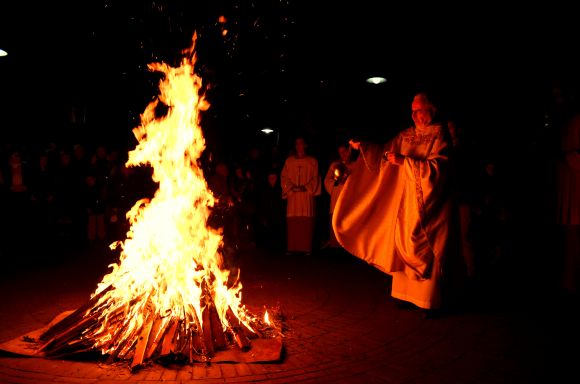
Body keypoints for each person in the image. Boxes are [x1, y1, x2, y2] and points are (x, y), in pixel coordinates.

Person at [332, 91, 465, 316]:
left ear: (431, 111)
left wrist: (406, 162)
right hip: (405, 201)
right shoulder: (405, 136)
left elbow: (439, 170)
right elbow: (385, 153)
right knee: (400, 240)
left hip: (431, 207)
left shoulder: (440, 135)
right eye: (412, 112)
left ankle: (428, 300)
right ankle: (406, 294)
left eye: (418, 111)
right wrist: (365, 146)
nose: (414, 116)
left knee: (422, 243)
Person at [281, 135, 322, 255]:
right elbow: (284, 177)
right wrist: (291, 187)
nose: (299, 146)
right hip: (293, 196)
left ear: (305, 145)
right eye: (297, 144)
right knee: (293, 222)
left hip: (306, 197)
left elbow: (315, 178)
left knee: (306, 222)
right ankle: (292, 247)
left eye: (301, 143)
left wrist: (306, 187)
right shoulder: (289, 162)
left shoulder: (312, 161)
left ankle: (306, 248)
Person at [323, 142, 354, 248]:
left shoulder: (354, 165)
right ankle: (335, 245)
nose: (343, 154)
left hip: (349, 198)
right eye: (340, 152)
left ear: (349, 151)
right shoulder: (334, 165)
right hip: (337, 197)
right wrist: (336, 182)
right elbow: (327, 180)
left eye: (344, 151)